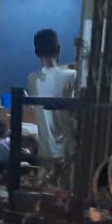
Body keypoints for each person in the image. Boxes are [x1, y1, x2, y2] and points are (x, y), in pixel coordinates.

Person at [26, 28, 79, 162]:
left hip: (45, 154)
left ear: (36, 53)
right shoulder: (72, 77)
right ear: (59, 49)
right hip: (68, 153)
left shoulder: (32, 79)